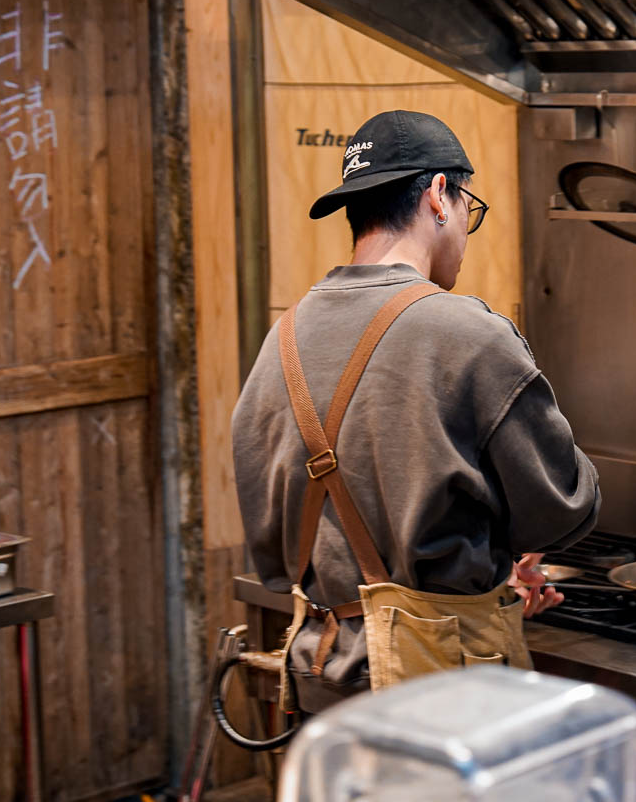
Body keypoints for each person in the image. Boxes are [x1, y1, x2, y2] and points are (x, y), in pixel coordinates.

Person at [232, 110, 600, 712]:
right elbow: (562, 509)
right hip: (439, 684)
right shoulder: (467, 332)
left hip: (322, 675)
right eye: (466, 208)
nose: (464, 229)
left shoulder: (286, 336)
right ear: (438, 196)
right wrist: (469, 576)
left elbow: (270, 543)